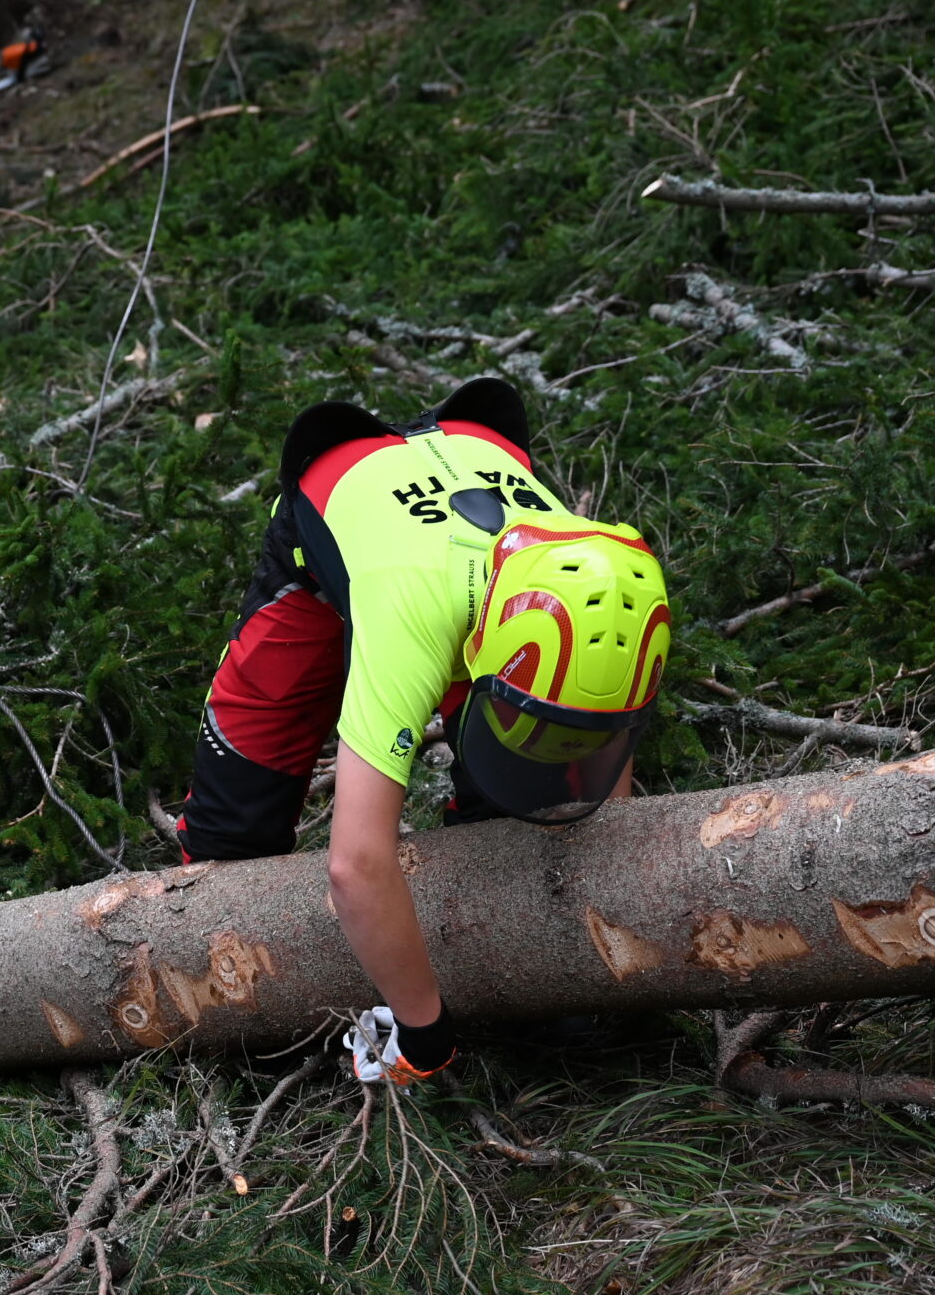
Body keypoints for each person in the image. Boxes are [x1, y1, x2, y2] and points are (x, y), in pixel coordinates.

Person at [174, 378, 671, 1088]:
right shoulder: (412, 612)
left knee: (519, 811)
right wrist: (424, 1030)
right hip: (345, 494)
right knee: (234, 827)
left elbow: (606, 739)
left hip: (482, 471)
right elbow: (356, 864)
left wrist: (590, 899)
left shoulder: (619, 597)